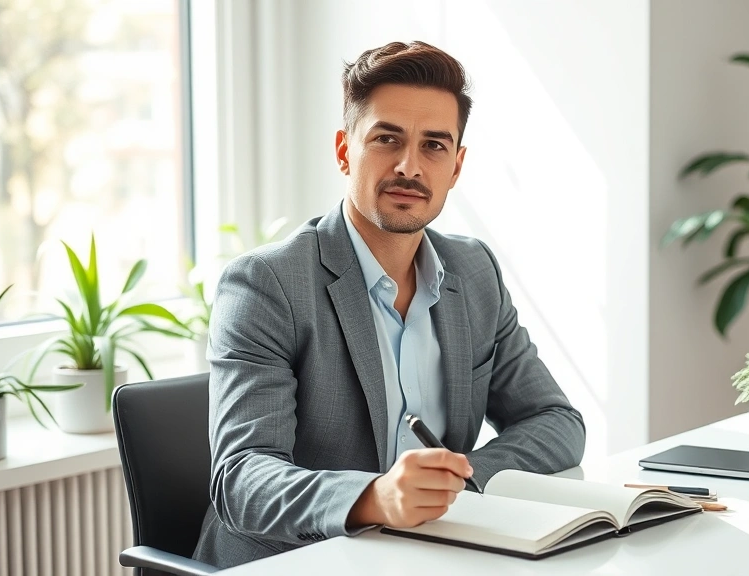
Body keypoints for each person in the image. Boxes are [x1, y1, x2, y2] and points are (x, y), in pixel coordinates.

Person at [192, 40, 585, 569]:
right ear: (343, 150)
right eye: (386, 139)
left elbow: (556, 421)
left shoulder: (473, 273)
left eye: (434, 146)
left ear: (456, 166)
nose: (410, 166)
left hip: (430, 556)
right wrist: (374, 498)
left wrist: (457, 484)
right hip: (297, 560)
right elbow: (241, 480)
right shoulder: (267, 284)